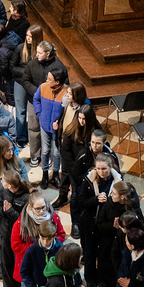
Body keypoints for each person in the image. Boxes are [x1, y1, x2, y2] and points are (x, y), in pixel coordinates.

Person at [11, 192, 66, 287]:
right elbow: (15, 245)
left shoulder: (53, 217)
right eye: (38, 209)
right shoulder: (21, 223)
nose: (41, 211)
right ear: (30, 207)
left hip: (49, 262)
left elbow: (61, 234)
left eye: (43, 207)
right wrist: (36, 248)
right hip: (29, 262)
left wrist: (51, 244)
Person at [96, 179, 143, 287]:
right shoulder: (108, 205)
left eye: (114, 193)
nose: (111, 195)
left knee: (126, 276)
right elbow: (99, 224)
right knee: (110, 276)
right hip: (109, 246)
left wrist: (125, 229)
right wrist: (112, 226)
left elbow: (140, 227)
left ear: (122, 197)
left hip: (128, 248)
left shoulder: (133, 208)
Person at [0, 135, 29, 278]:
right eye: (7, 150)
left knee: (15, 237)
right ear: (0, 152)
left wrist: (14, 206)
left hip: (15, 207)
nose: (11, 153)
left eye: (12, 149)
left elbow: (25, 183)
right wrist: (2, 206)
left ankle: (14, 264)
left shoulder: (18, 162)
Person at [76, 152, 122, 287]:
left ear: (110, 167)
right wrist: (95, 200)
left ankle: (102, 278)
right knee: (89, 253)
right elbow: (80, 201)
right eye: (98, 169)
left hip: (107, 225)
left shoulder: (118, 181)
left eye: (104, 169)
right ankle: (90, 278)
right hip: (90, 224)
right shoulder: (88, 180)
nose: (101, 172)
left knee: (104, 254)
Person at [21, 39, 69, 168]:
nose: (36, 55)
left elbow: (65, 85)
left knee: (53, 134)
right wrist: (39, 93)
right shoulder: (32, 64)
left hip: (54, 104)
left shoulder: (59, 66)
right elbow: (25, 81)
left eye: (39, 53)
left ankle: (52, 160)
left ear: (47, 54)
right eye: (37, 52)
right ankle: (35, 155)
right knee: (34, 129)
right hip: (35, 100)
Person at [0, 169, 32, 287]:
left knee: (20, 264)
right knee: (7, 264)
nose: (1, 181)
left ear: (10, 185)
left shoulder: (26, 197)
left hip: (21, 237)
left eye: (3, 180)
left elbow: (25, 221)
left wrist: (10, 211)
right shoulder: (3, 191)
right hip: (6, 234)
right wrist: (4, 211)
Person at [54, 85, 90, 213]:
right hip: (65, 146)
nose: (67, 95)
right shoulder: (67, 106)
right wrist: (57, 122)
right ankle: (62, 196)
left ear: (77, 95)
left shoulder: (84, 110)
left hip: (76, 149)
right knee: (64, 173)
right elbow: (63, 119)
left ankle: (77, 200)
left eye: (69, 94)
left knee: (76, 176)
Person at [33, 62, 69, 191]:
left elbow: (68, 110)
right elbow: (36, 99)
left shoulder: (66, 92)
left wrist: (60, 122)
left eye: (49, 79)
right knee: (45, 151)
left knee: (57, 152)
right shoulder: (43, 87)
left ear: (58, 82)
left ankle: (55, 174)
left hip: (57, 129)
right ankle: (44, 174)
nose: (46, 80)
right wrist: (40, 113)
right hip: (44, 125)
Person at [10, 24, 43, 147]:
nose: (28, 38)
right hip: (20, 83)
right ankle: (21, 137)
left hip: (34, 85)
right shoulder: (20, 48)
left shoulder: (41, 51)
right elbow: (12, 67)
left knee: (34, 112)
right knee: (21, 111)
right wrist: (26, 72)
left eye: (31, 36)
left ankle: (35, 138)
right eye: (27, 35)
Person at [20, 219, 63, 287]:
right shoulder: (31, 251)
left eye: (48, 239)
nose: (45, 242)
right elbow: (24, 272)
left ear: (54, 236)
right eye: (42, 238)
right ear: (39, 235)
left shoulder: (60, 249)